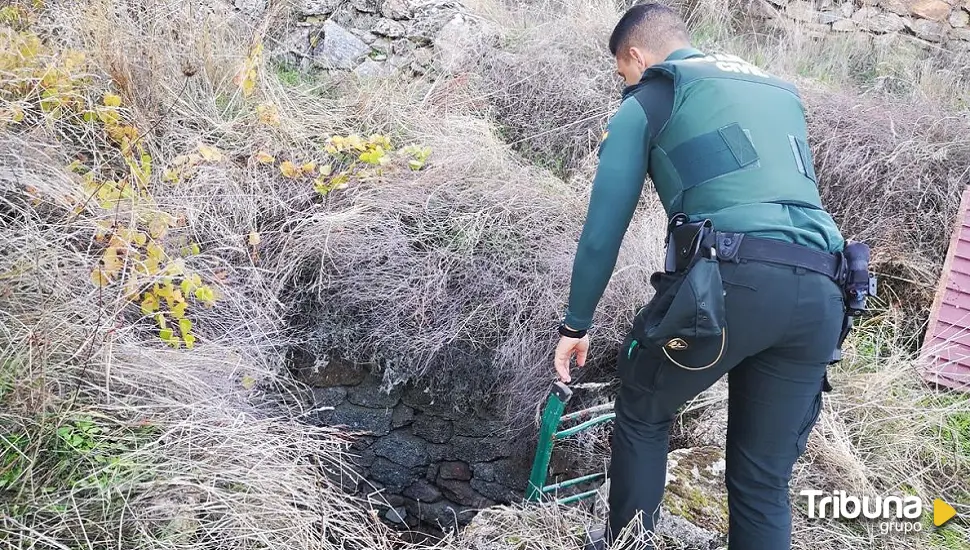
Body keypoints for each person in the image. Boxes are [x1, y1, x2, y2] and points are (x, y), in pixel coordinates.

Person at [551, 3, 851, 549]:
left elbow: (602, 231)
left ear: (635, 57)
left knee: (643, 412)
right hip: (826, 291)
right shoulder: (776, 92)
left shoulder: (654, 94)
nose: (626, 83)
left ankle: (628, 544)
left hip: (732, 282)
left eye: (623, 73)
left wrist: (576, 324)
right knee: (762, 480)